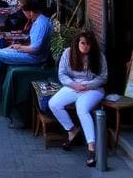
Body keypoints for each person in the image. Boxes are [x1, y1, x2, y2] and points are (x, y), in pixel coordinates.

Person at [0, 0, 53, 106]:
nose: (25, 16)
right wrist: (15, 46)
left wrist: (19, 47)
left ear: (31, 12)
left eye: (25, 13)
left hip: (35, 57)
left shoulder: (41, 23)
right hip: (32, 54)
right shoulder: (39, 21)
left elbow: (35, 48)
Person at [49, 29, 108, 167]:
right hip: (73, 86)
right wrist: (73, 84)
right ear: (77, 43)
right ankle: (72, 130)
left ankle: (91, 147)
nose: (85, 46)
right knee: (54, 103)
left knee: (82, 108)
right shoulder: (67, 53)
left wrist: (88, 85)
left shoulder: (98, 56)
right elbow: (62, 74)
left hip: (93, 89)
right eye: (83, 43)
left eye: (88, 44)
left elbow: (103, 77)